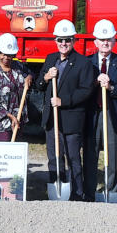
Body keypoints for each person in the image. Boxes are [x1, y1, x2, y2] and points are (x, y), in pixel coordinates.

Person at [35, 20, 96, 201]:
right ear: (55, 40)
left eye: (67, 40)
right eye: (60, 40)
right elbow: (39, 85)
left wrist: (64, 101)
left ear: (74, 41)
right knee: (54, 157)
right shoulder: (50, 59)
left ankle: (77, 193)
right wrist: (46, 77)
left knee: (73, 159)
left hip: (71, 120)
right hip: (52, 120)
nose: (63, 43)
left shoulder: (83, 63)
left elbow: (86, 91)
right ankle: (56, 190)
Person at [86, 19, 117, 197]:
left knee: (112, 155)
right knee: (91, 154)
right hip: (93, 114)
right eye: (101, 39)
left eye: (109, 39)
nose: (105, 43)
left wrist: (111, 87)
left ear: (114, 41)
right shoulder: (88, 62)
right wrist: (94, 82)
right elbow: (82, 87)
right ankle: (90, 190)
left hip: (112, 114)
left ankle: (110, 189)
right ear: (95, 42)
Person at [0, 33, 32, 142]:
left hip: (18, 117)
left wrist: (29, 77)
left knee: (15, 155)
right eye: (3, 54)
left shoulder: (18, 66)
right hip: (1, 122)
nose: (6, 57)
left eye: (10, 55)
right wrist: (11, 117)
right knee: (2, 154)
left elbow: (31, 74)